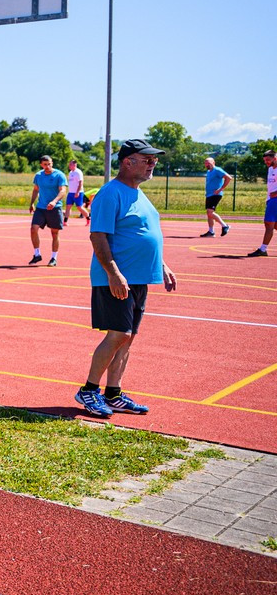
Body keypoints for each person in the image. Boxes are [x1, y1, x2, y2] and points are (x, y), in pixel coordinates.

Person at [74, 139, 175, 418]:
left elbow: (143, 233)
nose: (152, 164)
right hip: (117, 278)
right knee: (119, 334)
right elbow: (98, 236)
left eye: (154, 160)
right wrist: (114, 273)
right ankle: (88, 390)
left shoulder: (139, 194)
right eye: (147, 159)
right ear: (127, 162)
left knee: (127, 339)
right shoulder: (110, 193)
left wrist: (162, 265)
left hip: (139, 278)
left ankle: (113, 393)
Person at [28, 155, 67, 267]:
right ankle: (37, 254)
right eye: (45, 164)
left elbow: (63, 191)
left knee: (54, 233)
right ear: (41, 165)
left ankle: (54, 258)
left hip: (55, 208)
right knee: (33, 229)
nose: (47, 166)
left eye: (49, 164)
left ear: (52, 163)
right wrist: (32, 203)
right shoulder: (39, 175)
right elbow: (36, 190)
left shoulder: (59, 175)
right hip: (41, 207)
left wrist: (54, 201)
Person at [252, 148, 277, 257]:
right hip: (271, 199)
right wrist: (268, 199)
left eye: (268, 160)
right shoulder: (270, 169)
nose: (266, 162)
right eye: (264, 160)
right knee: (275, 225)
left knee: (268, 224)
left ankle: (263, 249)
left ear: (275, 158)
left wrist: (276, 193)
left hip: (275, 200)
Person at [200, 157, 232, 238]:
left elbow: (229, 178)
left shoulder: (217, 170)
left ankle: (225, 226)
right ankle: (211, 231)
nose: (207, 165)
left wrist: (220, 189)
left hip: (216, 194)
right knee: (209, 214)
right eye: (206, 163)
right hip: (209, 194)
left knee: (210, 212)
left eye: (209, 163)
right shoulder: (208, 172)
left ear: (213, 163)